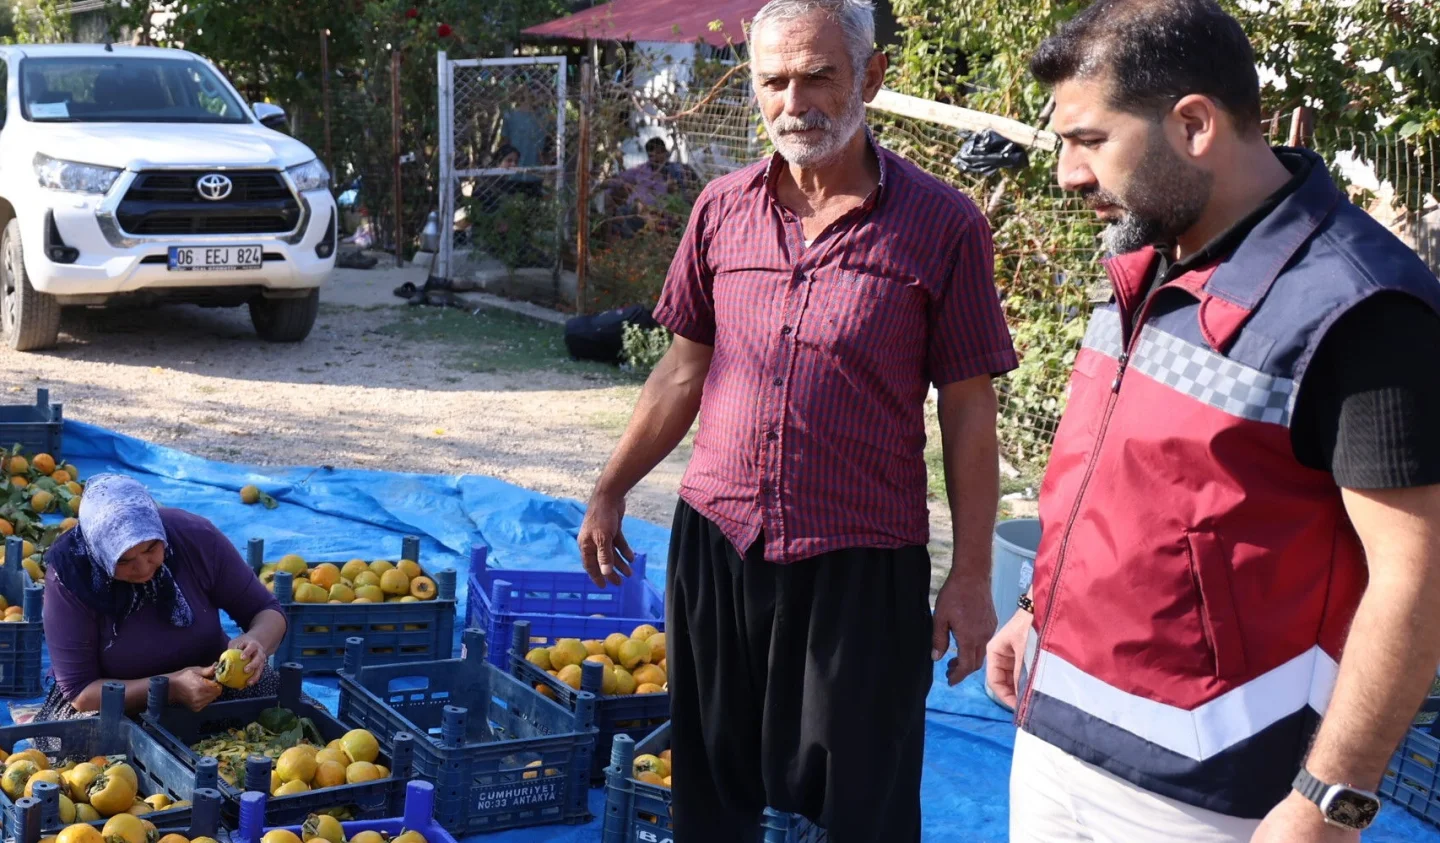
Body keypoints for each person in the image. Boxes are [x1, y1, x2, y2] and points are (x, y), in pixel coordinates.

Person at [984, 1, 1440, 841]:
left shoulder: (1362, 309)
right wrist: (1037, 611)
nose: (1067, 173)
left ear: (1193, 124)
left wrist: (1329, 800)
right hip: (1049, 746)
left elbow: (1418, 577)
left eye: (1088, 140)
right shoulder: (1144, 256)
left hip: (1215, 803)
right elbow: (1130, 485)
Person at [578, 0, 1018, 840]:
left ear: (870, 77)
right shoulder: (721, 209)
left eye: (818, 75)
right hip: (719, 542)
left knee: (863, 802)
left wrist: (968, 577)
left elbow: (968, 408)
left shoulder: (942, 226)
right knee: (711, 790)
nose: (794, 101)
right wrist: (610, 488)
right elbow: (682, 370)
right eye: (773, 80)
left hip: (859, 562)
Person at [40, 474, 288, 726]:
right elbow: (81, 692)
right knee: (105, 758)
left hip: (214, 684)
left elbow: (267, 611)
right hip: (117, 703)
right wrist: (167, 688)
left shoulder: (196, 538)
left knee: (294, 722)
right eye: (123, 560)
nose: (142, 567)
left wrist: (257, 641)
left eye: (151, 549)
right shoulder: (71, 577)